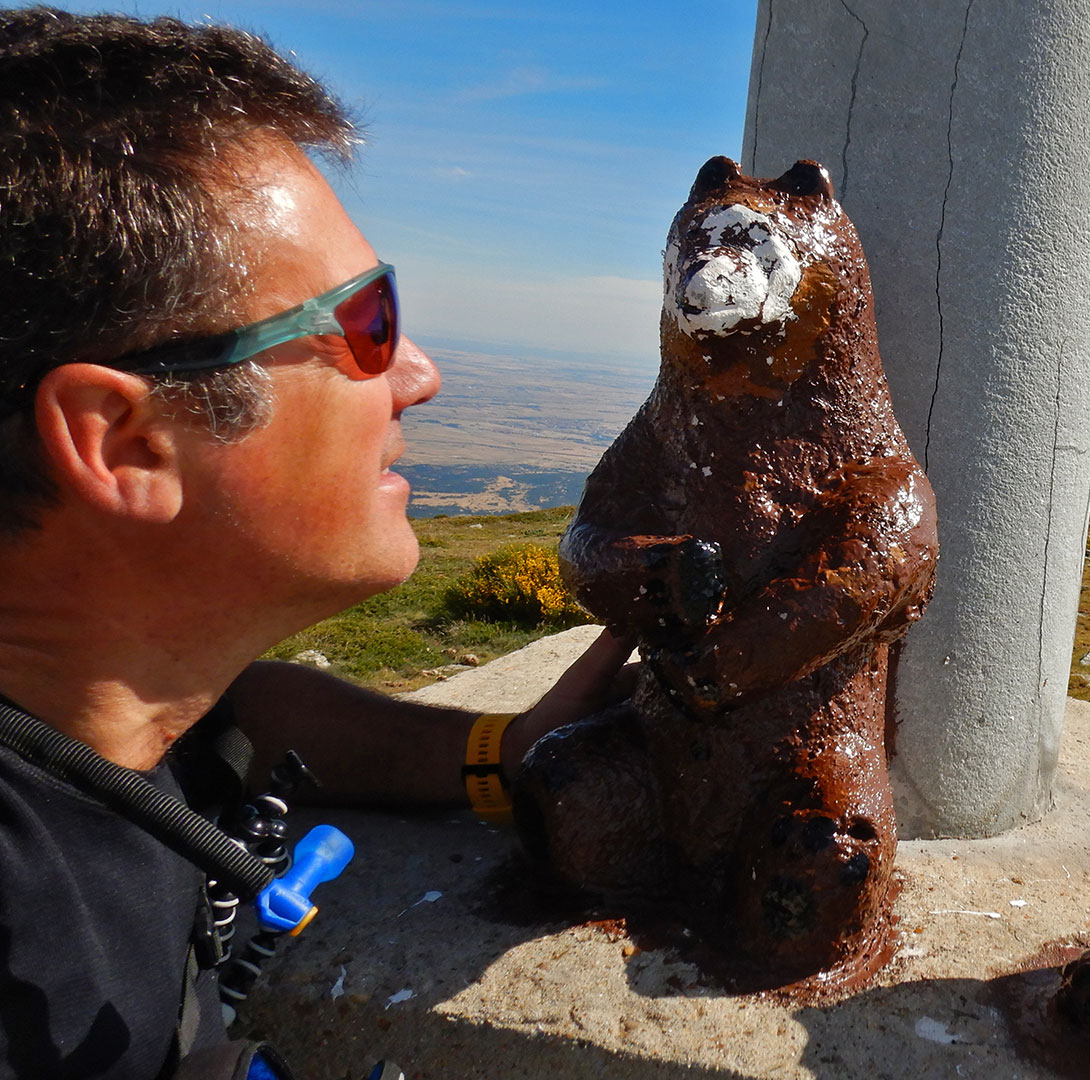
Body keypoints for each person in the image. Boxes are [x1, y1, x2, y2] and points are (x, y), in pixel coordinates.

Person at [0, 9, 634, 1078]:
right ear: (127, 443)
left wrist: (498, 757)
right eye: (365, 322)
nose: (418, 375)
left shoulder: (103, 703)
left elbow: (239, 712)